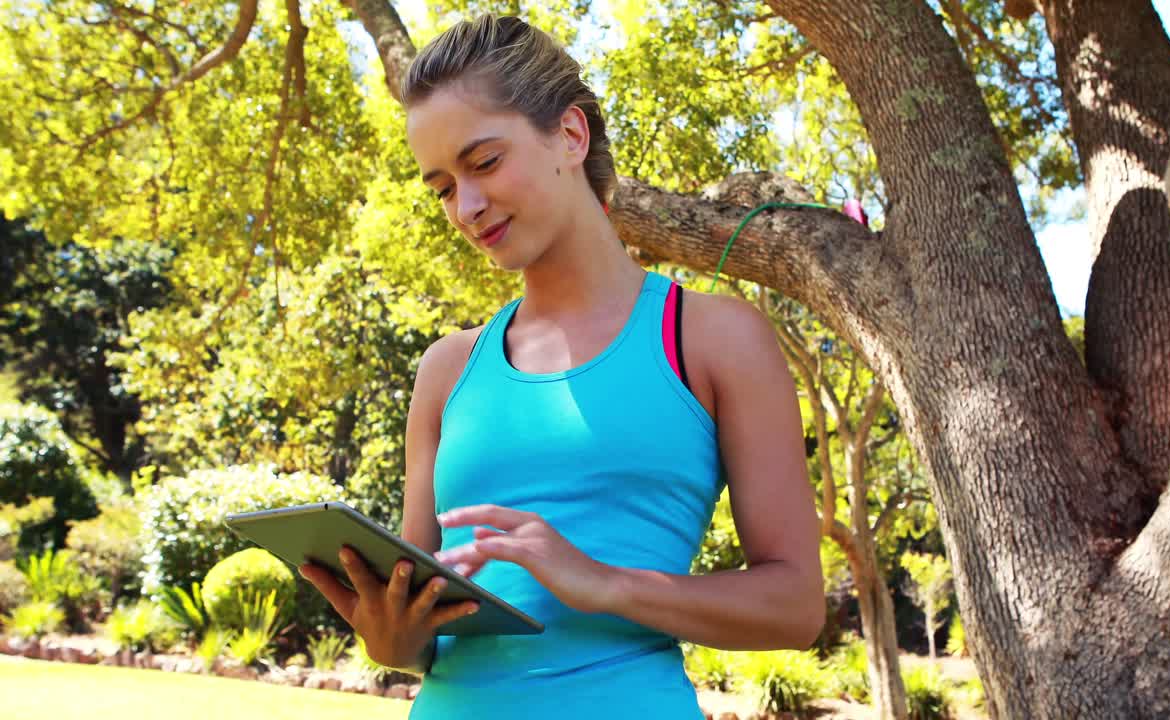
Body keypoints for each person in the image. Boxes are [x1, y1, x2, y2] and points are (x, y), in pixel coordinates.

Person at [299, 14, 824, 719]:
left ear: (570, 136)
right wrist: (390, 638)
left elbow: (793, 606)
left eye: (483, 163)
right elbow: (418, 616)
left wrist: (601, 582)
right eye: (443, 188)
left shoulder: (713, 338)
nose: (467, 206)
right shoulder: (447, 370)